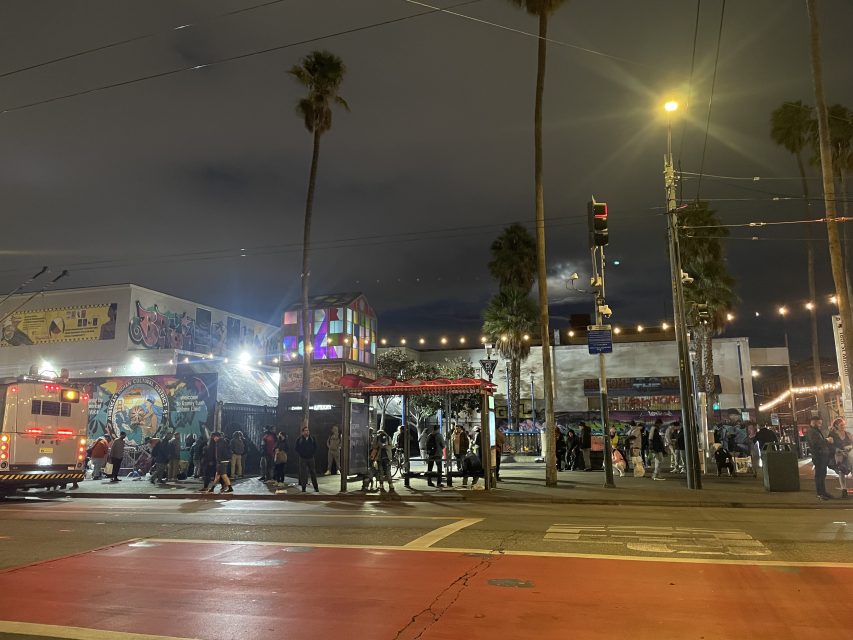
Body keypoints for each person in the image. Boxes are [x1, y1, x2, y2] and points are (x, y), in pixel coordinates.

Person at [805, 416, 833, 500]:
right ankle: (820, 493)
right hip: (818, 456)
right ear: (813, 422)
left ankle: (823, 492)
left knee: (822, 475)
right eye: (819, 423)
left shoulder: (815, 430)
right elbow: (815, 444)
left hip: (822, 456)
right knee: (819, 475)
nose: (820, 425)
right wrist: (827, 440)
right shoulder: (811, 431)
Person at [828, 419, 851, 499]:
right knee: (841, 471)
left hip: (849, 455)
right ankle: (844, 489)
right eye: (841, 425)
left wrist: (849, 447)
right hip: (839, 456)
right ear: (836, 426)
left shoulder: (848, 434)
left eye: (844, 425)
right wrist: (837, 450)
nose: (843, 426)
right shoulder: (832, 435)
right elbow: (830, 446)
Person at [295, 425, 319, 493]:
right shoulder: (299, 439)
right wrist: (301, 454)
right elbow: (296, 448)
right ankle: (303, 488)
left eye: (308, 430)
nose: (307, 432)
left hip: (311, 458)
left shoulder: (312, 438)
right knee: (303, 474)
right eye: (305, 431)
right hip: (303, 459)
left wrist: (312, 453)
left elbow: (315, 447)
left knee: (313, 473)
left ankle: (316, 488)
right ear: (302, 432)